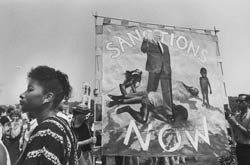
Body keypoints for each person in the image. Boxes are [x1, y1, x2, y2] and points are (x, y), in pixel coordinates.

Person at [16, 65, 78, 165]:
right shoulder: (63, 125)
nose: (22, 94)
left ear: (48, 97)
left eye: (30, 89)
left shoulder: (47, 130)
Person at [141, 30, 173, 119]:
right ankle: (147, 108)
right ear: (153, 36)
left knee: (167, 92)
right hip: (154, 70)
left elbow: (167, 59)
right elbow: (143, 49)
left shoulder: (165, 47)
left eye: (159, 35)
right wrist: (145, 39)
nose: (158, 36)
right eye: (156, 35)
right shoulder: (149, 44)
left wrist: (168, 70)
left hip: (165, 71)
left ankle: (169, 112)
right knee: (151, 90)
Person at [108, 91, 188, 124]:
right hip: (149, 100)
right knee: (143, 120)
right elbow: (154, 111)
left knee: (130, 99)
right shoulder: (168, 108)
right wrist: (165, 120)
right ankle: (127, 109)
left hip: (150, 97)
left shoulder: (171, 107)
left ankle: (116, 99)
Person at [226, 94, 250, 165]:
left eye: (241, 101)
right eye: (237, 101)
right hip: (239, 147)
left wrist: (236, 123)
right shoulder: (237, 116)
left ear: (248, 102)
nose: (238, 103)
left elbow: (249, 135)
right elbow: (232, 131)